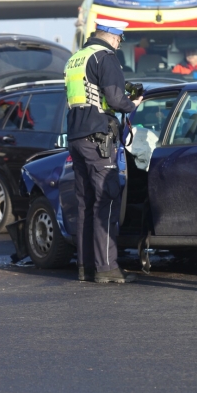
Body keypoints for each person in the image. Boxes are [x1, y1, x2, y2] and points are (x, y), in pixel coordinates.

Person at [64, 18, 143, 284]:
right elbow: (116, 99)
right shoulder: (105, 57)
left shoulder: (76, 59)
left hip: (76, 137)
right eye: (119, 38)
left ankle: (86, 267)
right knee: (106, 201)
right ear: (111, 35)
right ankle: (106, 267)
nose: (119, 43)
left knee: (85, 203)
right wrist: (133, 104)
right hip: (98, 137)